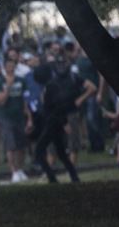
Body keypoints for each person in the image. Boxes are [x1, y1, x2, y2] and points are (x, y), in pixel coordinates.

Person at [32, 52, 95, 183]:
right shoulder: (51, 85)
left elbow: (56, 107)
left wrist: (64, 122)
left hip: (54, 123)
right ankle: (73, 176)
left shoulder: (52, 87)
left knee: (39, 151)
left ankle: (52, 177)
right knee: (61, 152)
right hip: (56, 122)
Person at [0, 56, 31, 182]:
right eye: (8, 66)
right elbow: (0, 102)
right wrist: (8, 87)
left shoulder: (22, 80)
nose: (10, 68)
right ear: (5, 67)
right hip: (6, 117)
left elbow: (25, 101)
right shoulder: (0, 81)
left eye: (12, 65)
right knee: (11, 145)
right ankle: (13, 171)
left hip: (20, 116)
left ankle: (20, 169)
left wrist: (29, 118)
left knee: (22, 145)